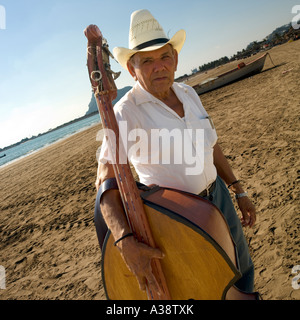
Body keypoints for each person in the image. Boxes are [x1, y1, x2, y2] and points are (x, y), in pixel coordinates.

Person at [94, 9, 256, 295]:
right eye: (147, 61)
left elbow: (212, 145)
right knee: (210, 287)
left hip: (220, 198)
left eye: (165, 57)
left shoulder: (188, 93)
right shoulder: (125, 113)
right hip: (180, 217)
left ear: (176, 60)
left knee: (243, 271)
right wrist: (124, 241)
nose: (159, 67)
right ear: (132, 69)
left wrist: (238, 189)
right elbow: (105, 183)